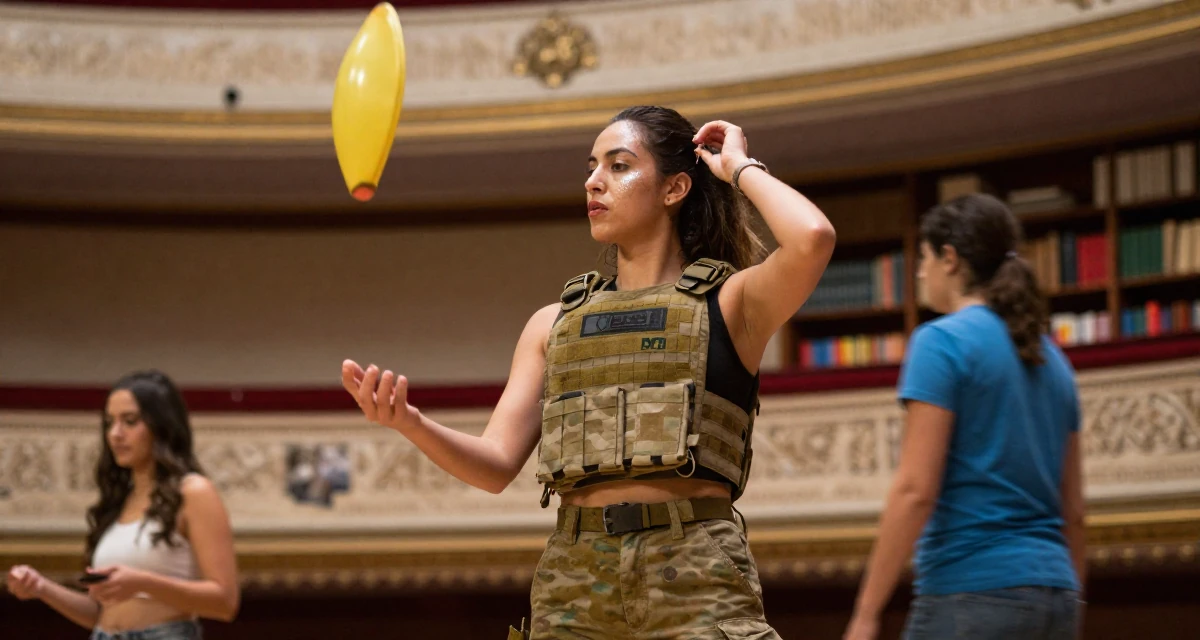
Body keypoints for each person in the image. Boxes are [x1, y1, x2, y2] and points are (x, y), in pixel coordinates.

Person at [341, 105, 835, 639]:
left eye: (618, 166)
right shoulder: (551, 323)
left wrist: (737, 167)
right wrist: (410, 423)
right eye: (592, 167)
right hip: (574, 577)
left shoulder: (731, 302)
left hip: (695, 570)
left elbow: (812, 237)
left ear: (674, 189)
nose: (593, 181)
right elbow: (494, 465)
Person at [843, 193, 1087, 640]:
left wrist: (866, 613)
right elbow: (1074, 511)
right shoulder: (1055, 361)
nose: (920, 273)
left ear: (950, 259)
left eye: (923, 259)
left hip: (970, 592)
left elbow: (916, 491)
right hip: (1058, 596)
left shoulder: (941, 341)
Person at [6, 370, 240, 640]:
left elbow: (225, 601)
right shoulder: (120, 500)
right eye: (109, 423)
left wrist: (142, 582)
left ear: (161, 425)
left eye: (130, 421)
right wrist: (41, 587)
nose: (115, 434)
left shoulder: (193, 491)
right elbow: (100, 614)